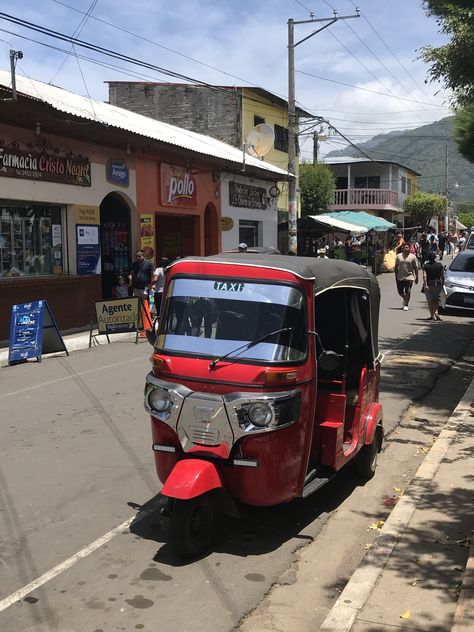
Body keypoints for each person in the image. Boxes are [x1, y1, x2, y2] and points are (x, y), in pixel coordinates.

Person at [395, 243, 419, 310]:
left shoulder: (413, 257)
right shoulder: (398, 256)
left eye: (407, 247)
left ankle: (406, 304)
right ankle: (405, 298)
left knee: (408, 291)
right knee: (400, 292)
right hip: (400, 277)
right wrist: (396, 276)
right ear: (402, 248)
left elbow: (416, 268)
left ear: (410, 248)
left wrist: (417, 277)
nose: (406, 249)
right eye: (405, 247)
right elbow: (396, 267)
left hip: (409, 277)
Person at [422, 251, 445, 321]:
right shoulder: (439, 265)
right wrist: (443, 283)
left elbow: (424, 276)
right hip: (437, 284)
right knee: (436, 300)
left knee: (430, 301)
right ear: (435, 257)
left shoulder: (426, 266)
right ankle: (435, 313)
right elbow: (442, 275)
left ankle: (432, 315)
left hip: (429, 284)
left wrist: (425, 285)